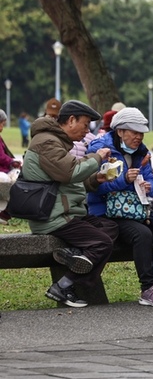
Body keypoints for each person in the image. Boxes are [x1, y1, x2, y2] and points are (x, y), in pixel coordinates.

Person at [22, 100, 119, 308]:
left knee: (110, 227)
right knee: (102, 242)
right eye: (85, 125)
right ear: (71, 120)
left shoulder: (56, 141)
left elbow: (67, 179)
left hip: (63, 211)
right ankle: (64, 285)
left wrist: (95, 180)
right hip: (52, 216)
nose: (86, 131)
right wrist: (96, 158)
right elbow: (69, 172)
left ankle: (75, 257)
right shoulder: (46, 142)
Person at [86, 107, 153, 307]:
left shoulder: (141, 151)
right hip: (106, 212)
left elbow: (151, 177)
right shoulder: (101, 150)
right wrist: (124, 180)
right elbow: (95, 187)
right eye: (134, 132)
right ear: (120, 132)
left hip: (134, 209)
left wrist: (150, 187)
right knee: (142, 234)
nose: (138, 137)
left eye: (141, 133)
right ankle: (148, 289)